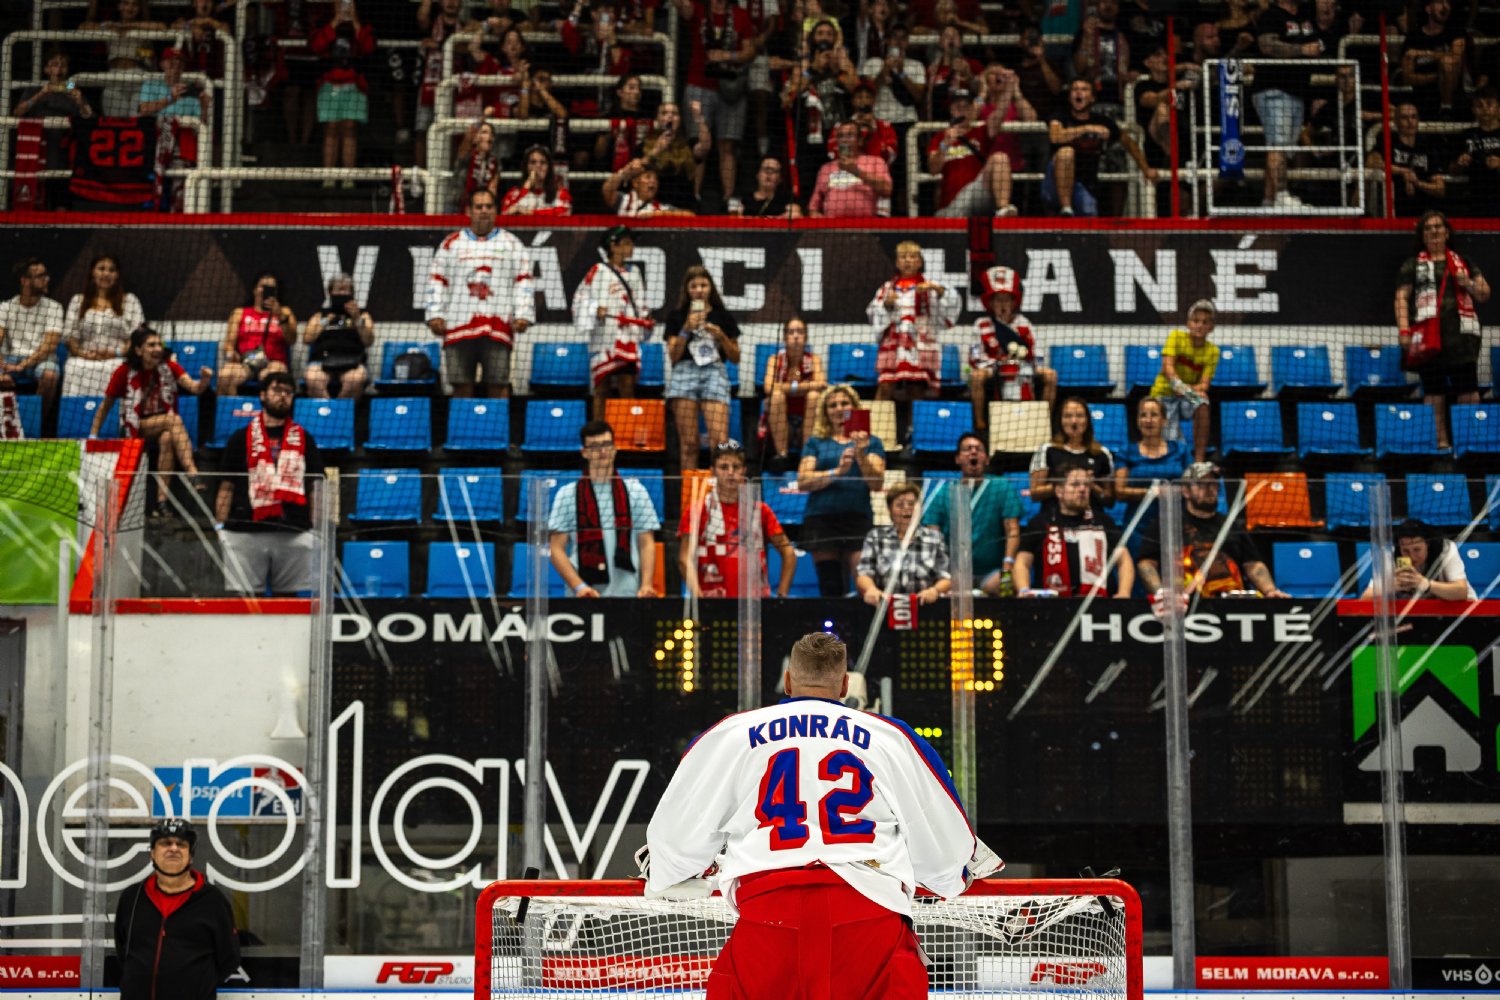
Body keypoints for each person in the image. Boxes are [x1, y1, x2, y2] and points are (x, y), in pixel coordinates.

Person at [644, 630, 995, 999]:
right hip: (869, 917)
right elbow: (943, 849)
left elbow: (675, 843)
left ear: (787, 681)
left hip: (768, 916)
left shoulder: (731, 734)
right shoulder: (891, 737)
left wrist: (669, 873)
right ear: (844, 685)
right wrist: (951, 878)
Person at [214, 371, 325, 596]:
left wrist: (317, 528)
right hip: (245, 530)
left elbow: (317, 487)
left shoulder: (305, 438)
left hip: (293, 531)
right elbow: (227, 486)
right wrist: (220, 527)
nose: (283, 396)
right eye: (277, 390)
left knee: (288, 603)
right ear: (262, 395)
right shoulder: (240, 438)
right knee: (247, 604)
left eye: (288, 392)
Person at [1395, 210, 1490, 450]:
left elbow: (1484, 293)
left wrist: (1467, 283)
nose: (1434, 231)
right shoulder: (1412, 264)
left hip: (1461, 340)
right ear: (1422, 235)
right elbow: (1401, 297)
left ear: (1447, 232)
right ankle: (1441, 443)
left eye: (1438, 227)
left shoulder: (1464, 262)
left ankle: (1469, 442)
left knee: (1468, 391)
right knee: (1434, 391)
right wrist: (1404, 329)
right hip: (1428, 339)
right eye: (1428, 228)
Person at [426, 188, 535, 398]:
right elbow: (437, 281)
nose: (484, 211)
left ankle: (498, 421)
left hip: (498, 327)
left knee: (499, 385)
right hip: (458, 326)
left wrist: (523, 313)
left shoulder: (512, 244)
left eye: (488, 206)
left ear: (496, 210)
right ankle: (462, 421)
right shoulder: (451, 244)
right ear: (469, 211)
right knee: (460, 386)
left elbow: (523, 281)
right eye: (478, 207)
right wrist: (435, 314)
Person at [114, 819, 240, 1000]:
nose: (173, 848)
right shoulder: (132, 897)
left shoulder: (213, 901)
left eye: (181, 844)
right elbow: (123, 952)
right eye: (165, 843)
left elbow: (228, 959)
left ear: (191, 856)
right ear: (152, 853)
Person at [91, 326, 212, 511]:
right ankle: (192, 472)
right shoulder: (124, 372)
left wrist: (205, 380)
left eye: (159, 344)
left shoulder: (168, 367)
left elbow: (195, 389)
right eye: (151, 345)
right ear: (138, 350)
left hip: (162, 425)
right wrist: (93, 435)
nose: (157, 349)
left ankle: (161, 502)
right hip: (134, 426)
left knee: (167, 438)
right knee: (173, 420)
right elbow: (105, 405)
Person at [1136, 462, 1289, 601]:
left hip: (1232, 603)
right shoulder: (1166, 524)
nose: (1209, 489)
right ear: (1185, 491)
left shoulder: (1231, 524)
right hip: (1183, 603)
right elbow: (1146, 564)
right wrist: (1161, 594)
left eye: (1213, 484)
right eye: (1201, 484)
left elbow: (1253, 565)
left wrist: (1270, 591)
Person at [547, 420, 661, 598]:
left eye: (606, 445)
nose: (602, 451)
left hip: (628, 593)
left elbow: (646, 543)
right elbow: (556, 549)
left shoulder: (636, 491)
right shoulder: (567, 494)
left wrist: (646, 585)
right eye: (594, 447)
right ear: (584, 453)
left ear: (614, 449)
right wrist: (579, 587)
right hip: (584, 595)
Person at [797, 384, 887, 596]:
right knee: (830, 586)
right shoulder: (815, 442)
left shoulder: (872, 442)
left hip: (857, 518)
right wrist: (837, 471)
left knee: (864, 584)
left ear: (854, 407)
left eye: (844, 403)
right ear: (825, 412)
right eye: (833, 405)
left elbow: (876, 483)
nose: (839, 408)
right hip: (821, 519)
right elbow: (803, 481)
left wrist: (860, 455)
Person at [679, 440, 797, 597]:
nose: (730, 472)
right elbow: (684, 558)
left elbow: (789, 553)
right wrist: (699, 596)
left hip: (753, 603)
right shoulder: (697, 511)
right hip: (712, 600)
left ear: (744, 470)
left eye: (736, 467)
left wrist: (781, 596)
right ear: (712, 471)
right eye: (723, 467)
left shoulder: (760, 510)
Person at [921, 431, 1022, 596]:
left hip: (993, 572)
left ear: (987, 459)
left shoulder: (1001, 487)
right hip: (953, 574)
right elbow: (932, 533)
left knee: (1007, 586)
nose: (973, 452)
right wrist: (941, 569)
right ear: (957, 459)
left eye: (978, 449)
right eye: (967, 449)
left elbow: (1012, 530)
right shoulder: (944, 491)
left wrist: (1007, 566)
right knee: (935, 588)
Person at [675, 0, 755, 207]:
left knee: (727, 146)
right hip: (698, 84)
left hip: (730, 88)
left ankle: (729, 200)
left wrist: (727, 55)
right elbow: (682, 6)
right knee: (698, 145)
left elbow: (749, 51)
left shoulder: (740, 14)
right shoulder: (698, 9)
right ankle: (693, 198)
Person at [1014, 462, 1134, 597]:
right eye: (1075, 484)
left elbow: (1124, 560)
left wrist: (1124, 592)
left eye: (1086, 485)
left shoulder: (1104, 522)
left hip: (1099, 602)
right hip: (1051, 602)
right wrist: (1023, 590)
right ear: (1059, 491)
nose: (1082, 489)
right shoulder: (1040, 523)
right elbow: (1022, 562)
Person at [574, 225, 654, 421]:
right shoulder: (598, 270)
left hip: (628, 337)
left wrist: (645, 319)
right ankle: (599, 430)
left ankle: (628, 431)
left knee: (627, 386)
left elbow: (640, 303)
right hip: (604, 338)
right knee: (601, 387)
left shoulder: (635, 272)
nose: (631, 247)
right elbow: (579, 299)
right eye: (626, 243)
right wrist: (595, 309)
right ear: (613, 246)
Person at [665, 265, 742, 470]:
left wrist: (721, 336)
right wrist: (686, 329)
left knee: (720, 444)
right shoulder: (676, 316)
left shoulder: (723, 316)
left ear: (710, 288)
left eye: (703, 285)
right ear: (687, 289)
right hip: (684, 373)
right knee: (689, 444)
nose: (699, 290)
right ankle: (688, 489)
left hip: (714, 372)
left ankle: (718, 488)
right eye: (694, 286)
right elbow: (673, 356)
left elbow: (736, 357)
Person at [1046, 77, 1156, 216]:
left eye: (1084, 89)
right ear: (1069, 97)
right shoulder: (1060, 116)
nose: (1078, 93)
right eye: (1075, 89)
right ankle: (1066, 208)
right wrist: (1087, 128)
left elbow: (1129, 143)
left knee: (1089, 218)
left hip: (1086, 185)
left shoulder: (1103, 121)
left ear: (1092, 98)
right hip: (1056, 184)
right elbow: (1056, 136)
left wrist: (1146, 169)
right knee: (1066, 153)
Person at [867, 241, 960, 401]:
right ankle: (877, 417)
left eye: (912, 257)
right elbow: (873, 313)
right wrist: (887, 305)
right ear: (897, 263)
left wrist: (936, 289)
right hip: (894, 344)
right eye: (903, 257)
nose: (908, 261)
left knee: (916, 387)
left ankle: (913, 418)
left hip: (920, 344)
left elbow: (949, 306)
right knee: (885, 385)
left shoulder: (930, 285)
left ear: (919, 262)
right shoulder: (887, 288)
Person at [1251, 0, 1321, 209]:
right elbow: (1266, 45)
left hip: (1297, 91)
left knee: (1282, 149)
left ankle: (1269, 201)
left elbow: (1318, 43)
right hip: (1274, 88)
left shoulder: (1304, 17)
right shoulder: (1271, 16)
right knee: (1278, 145)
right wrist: (1301, 49)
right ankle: (1282, 195)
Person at [968, 265, 1055, 432]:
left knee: (1051, 376)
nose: (1003, 305)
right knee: (977, 377)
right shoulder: (981, 324)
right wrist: (997, 363)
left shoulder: (1024, 323)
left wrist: (1034, 365)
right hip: (993, 368)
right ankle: (980, 423)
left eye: (1006, 300)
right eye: (998, 300)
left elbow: (1037, 352)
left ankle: (1045, 421)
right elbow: (975, 356)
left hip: (1023, 367)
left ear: (1014, 302)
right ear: (990, 303)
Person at [926, 84, 1026, 218]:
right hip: (951, 205)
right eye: (958, 107)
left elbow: (999, 114)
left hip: (978, 195)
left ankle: (1003, 210)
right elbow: (933, 169)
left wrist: (1008, 89)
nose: (962, 112)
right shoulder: (940, 137)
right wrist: (945, 144)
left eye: (966, 107)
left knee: (1000, 158)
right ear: (951, 110)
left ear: (973, 109)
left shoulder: (981, 131)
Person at [13, 51, 93, 210]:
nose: (59, 69)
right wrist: (41, 94)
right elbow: (17, 112)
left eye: (63, 65)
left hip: (62, 150)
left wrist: (79, 101)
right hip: (37, 149)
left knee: (61, 199)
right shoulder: (36, 88)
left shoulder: (70, 87)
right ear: (46, 69)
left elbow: (89, 116)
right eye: (55, 65)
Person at [309, 1, 376, 189]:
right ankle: (328, 176)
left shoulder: (363, 22)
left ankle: (348, 177)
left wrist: (355, 22)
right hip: (329, 83)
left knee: (350, 128)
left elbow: (369, 48)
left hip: (354, 84)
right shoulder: (323, 21)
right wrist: (334, 22)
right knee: (330, 128)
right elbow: (316, 46)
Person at [856, 481, 951, 606]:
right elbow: (863, 574)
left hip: (925, 606)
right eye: (900, 505)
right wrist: (871, 589)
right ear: (890, 510)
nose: (906, 508)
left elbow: (946, 577)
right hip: (884, 605)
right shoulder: (875, 537)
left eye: (911, 504)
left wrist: (935, 590)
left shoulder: (935, 538)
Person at [62, 255, 145, 397]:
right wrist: (84, 354)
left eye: (111, 270)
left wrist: (116, 353)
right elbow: (70, 338)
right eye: (101, 269)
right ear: (92, 272)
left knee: (123, 369)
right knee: (72, 367)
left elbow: (138, 336)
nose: (106, 273)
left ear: (117, 275)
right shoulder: (77, 301)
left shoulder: (130, 301)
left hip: (118, 359)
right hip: (83, 360)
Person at [1148, 298, 1219, 463]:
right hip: (1163, 395)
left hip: (1186, 395)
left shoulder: (1213, 351)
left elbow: (1204, 385)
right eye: (1196, 321)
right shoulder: (1176, 337)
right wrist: (1182, 388)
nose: (1200, 325)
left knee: (1202, 401)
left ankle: (1199, 461)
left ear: (1211, 327)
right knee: (1174, 442)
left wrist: (1186, 391)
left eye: (1205, 322)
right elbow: (1168, 369)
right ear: (1188, 324)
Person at [761, 315, 827, 470]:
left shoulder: (814, 359)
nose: (796, 336)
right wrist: (804, 386)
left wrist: (788, 387)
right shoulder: (775, 359)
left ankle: (807, 455)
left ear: (806, 336)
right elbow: (768, 387)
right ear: (784, 337)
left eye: (800, 332)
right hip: (781, 419)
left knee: (814, 396)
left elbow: (821, 384)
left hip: (808, 418)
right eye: (791, 332)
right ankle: (782, 455)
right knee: (776, 396)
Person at [1359, 519, 1475, 602]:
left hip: (1457, 613)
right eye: (1406, 551)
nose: (1412, 557)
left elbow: (1461, 592)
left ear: (1427, 544)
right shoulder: (1390, 555)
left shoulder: (1446, 550)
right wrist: (1390, 587)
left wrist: (1427, 585)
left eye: (1417, 549)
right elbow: (1365, 598)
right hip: (1414, 615)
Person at [219, 272, 296, 397]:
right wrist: (231, 354)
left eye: (271, 288)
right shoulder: (239, 313)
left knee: (270, 377)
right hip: (246, 363)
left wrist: (280, 316)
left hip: (274, 363)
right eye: (262, 286)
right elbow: (228, 344)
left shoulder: (285, 312)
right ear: (254, 290)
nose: (265, 290)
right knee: (225, 376)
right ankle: (235, 408)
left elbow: (292, 340)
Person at [0, 258, 64, 408]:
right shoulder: (5, 307)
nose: (46, 279)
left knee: (50, 376)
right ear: (25, 281)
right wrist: (2, 366)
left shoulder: (54, 307)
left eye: (46, 275)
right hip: (11, 359)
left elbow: (49, 346)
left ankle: (36, 421)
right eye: (40, 276)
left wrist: (22, 365)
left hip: (41, 360)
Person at [1028, 396, 1115, 507]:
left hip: (1092, 515)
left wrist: (1092, 485)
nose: (1074, 421)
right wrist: (1064, 482)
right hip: (1054, 514)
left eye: (1079, 416)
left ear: (1087, 420)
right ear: (1060, 420)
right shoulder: (1047, 450)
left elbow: (1109, 500)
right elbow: (1035, 494)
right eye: (1068, 416)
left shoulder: (1102, 453)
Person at [303, 273, 374, 399]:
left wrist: (357, 319)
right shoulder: (320, 315)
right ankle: (329, 409)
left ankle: (338, 410)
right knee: (313, 378)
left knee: (355, 379)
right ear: (330, 292)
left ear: (351, 293)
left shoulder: (363, 315)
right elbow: (307, 338)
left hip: (353, 363)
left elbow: (368, 341)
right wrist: (326, 320)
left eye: (345, 289)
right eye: (338, 289)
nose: (341, 293)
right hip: (322, 362)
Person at [807, 120, 893, 217]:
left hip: (865, 223)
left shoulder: (875, 162)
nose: (844, 140)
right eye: (840, 136)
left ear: (860, 140)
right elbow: (813, 206)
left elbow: (887, 190)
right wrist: (817, 216)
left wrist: (856, 171)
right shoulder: (826, 168)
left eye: (850, 135)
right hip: (833, 225)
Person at [1398, 0, 1466, 120]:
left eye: (1447, 2)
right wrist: (1439, 77)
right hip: (1422, 99)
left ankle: (1446, 108)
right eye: (1439, 2)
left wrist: (1422, 53)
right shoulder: (1413, 37)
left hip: (1454, 100)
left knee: (1447, 62)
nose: (1445, 6)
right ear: (1428, 9)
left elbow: (1455, 58)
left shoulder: (1456, 32)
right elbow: (1407, 77)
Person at [1113, 396, 1186, 504]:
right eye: (1143, 415)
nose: (1148, 420)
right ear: (1138, 421)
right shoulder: (1126, 451)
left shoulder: (1179, 449)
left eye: (1154, 415)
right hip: (1139, 513)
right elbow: (1119, 491)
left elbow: (1191, 486)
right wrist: (1152, 492)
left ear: (1164, 421)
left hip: (1174, 512)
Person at [1379, 101, 1445, 218]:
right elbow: (1373, 162)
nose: (1410, 122)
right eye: (1404, 117)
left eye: (1414, 117)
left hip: (1425, 214)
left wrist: (1417, 183)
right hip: (1394, 211)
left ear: (1418, 120)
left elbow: (1440, 189)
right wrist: (1404, 171)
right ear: (1396, 121)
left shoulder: (1427, 147)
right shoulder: (1387, 142)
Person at [1067, 0, 1131, 116]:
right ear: (1097, 5)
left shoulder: (1124, 35)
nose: (1108, 5)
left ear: (1118, 7)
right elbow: (1079, 68)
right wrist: (1087, 37)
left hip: (1117, 99)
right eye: (1104, 1)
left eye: (1113, 2)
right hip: (1090, 100)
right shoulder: (1084, 32)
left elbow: (1128, 69)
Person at [1450, 86, 1500, 218]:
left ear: (1498, 108)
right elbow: (1453, 170)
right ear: (1473, 110)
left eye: (1489, 104)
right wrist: (1460, 163)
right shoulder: (1466, 135)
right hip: (1477, 200)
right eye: (1479, 105)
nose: (1485, 109)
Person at [500, 145, 574, 215]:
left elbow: (565, 211)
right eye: (533, 162)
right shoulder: (514, 193)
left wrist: (529, 213)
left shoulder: (560, 193)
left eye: (543, 162)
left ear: (549, 168)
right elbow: (505, 212)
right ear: (526, 167)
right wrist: (524, 189)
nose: (538, 166)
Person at [605, 162, 696, 216]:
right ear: (635, 183)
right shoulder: (623, 200)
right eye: (648, 177)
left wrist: (658, 214)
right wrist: (624, 173)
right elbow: (607, 190)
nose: (653, 181)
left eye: (656, 178)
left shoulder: (661, 208)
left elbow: (690, 215)